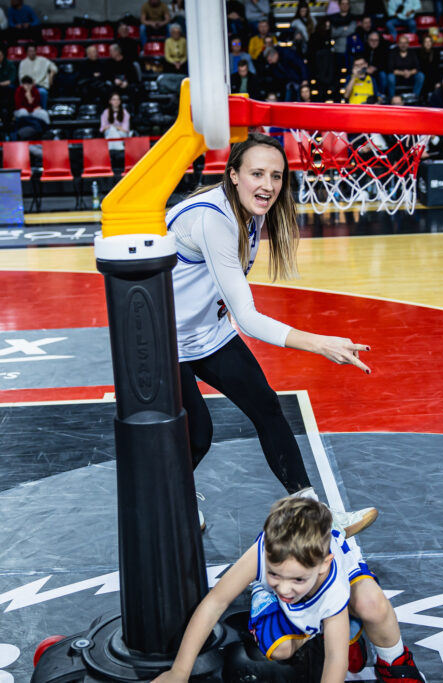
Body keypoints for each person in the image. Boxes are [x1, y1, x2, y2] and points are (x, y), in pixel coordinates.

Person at [163, 133, 378, 534]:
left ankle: (313, 517)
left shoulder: (252, 211)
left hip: (207, 332)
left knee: (267, 407)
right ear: (233, 175)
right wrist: (319, 343)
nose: (268, 185)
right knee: (199, 434)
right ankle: (170, 497)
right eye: (257, 174)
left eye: (276, 176)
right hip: (164, 342)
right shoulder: (213, 219)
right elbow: (247, 317)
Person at [151, 497, 422, 683]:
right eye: (274, 574)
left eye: (297, 580)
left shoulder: (334, 588)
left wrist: (334, 634)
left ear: (323, 565)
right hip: (305, 576)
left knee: (371, 605)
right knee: (281, 648)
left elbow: (335, 661)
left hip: (332, 571)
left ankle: (395, 662)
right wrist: (179, 671)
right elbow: (214, 603)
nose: (284, 588)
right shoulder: (263, 551)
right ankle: (308, 619)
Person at [386, 34, 424, 102]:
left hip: (410, 77)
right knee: (390, 77)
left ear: (408, 44)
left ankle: (415, 97)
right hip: (397, 77)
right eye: (401, 43)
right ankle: (392, 99)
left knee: (420, 76)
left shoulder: (412, 53)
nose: (403, 45)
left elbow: (417, 67)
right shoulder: (393, 53)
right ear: (398, 44)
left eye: (405, 43)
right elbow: (390, 68)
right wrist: (403, 73)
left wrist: (410, 73)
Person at [18, 44, 56, 108]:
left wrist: (51, 74)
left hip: (40, 86)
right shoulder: (23, 63)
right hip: (27, 87)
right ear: (27, 52)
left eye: (33, 51)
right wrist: (29, 85)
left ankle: (43, 111)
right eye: (30, 51)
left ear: (36, 51)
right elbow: (22, 78)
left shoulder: (43, 60)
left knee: (42, 92)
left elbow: (54, 67)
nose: (32, 53)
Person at [100, 91, 130, 172]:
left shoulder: (125, 113)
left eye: (117, 99)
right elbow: (103, 128)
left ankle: (112, 149)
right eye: (114, 99)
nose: (116, 101)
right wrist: (113, 128)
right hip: (110, 134)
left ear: (120, 101)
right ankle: (119, 149)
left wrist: (114, 127)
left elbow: (125, 130)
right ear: (110, 101)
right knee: (111, 131)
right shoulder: (105, 112)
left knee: (113, 130)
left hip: (122, 135)